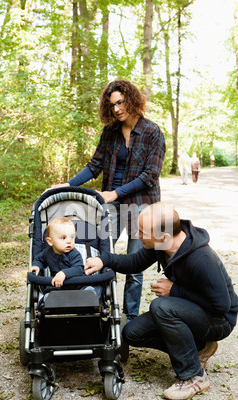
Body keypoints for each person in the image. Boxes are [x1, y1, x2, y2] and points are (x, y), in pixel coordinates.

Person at [84, 202, 238, 400]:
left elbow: (221, 306)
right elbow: (135, 262)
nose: (137, 235)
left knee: (162, 307)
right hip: (194, 309)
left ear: (164, 236)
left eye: (142, 231)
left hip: (219, 320)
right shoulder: (162, 244)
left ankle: (194, 376)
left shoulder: (201, 258)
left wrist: (174, 290)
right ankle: (198, 349)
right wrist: (103, 259)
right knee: (132, 333)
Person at [46, 79, 166, 322]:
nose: (117, 109)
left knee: (134, 265)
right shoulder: (110, 132)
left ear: (132, 100)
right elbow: (94, 166)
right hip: (110, 206)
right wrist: (68, 184)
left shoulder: (152, 132)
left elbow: (150, 176)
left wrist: (115, 193)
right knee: (99, 255)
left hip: (142, 205)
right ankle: (98, 307)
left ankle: (130, 319)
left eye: (121, 103)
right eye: (112, 105)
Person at [29, 217, 101, 297]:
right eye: (63, 238)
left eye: (72, 237)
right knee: (50, 293)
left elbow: (78, 268)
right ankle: (48, 299)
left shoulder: (74, 254)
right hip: (58, 287)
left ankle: (88, 295)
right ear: (50, 241)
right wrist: (36, 266)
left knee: (91, 289)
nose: (69, 241)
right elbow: (39, 259)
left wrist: (64, 274)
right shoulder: (47, 252)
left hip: (77, 286)